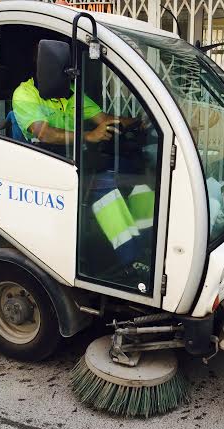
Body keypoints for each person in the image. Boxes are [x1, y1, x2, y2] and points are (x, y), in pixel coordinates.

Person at [12, 74, 154, 282]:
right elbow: (43, 133)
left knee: (139, 183)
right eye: (64, 69)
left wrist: (137, 123)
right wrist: (89, 136)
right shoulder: (25, 94)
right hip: (45, 163)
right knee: (108, 192)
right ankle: (131, 262)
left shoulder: (70, 92)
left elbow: (104, 119)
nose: (70, 74)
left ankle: (148, 250)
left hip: (76, 159)